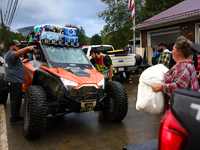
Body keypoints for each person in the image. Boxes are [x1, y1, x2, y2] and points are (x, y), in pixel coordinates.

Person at [151, 40, 199, 112]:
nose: (172, 51)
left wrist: (161, 87)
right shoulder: (186, 64)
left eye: (173, 49)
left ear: (179, 52)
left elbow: (179, 88)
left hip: (180, 110)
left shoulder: (183, 67)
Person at [4, 40, 36, 125]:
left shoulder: (10, 55)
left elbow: (13, 64)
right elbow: (17, 54)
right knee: (15, 101)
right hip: (13, 81)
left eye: (19, 46)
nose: (18, 48)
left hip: (14, 81)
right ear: (11, 46)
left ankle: (16, 116)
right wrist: (27, 48)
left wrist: (22, 62)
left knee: (17, 100)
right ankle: (14, 119)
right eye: (17, 46)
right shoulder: (11, 53)